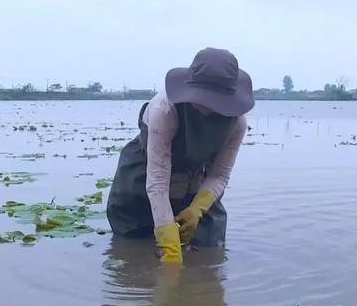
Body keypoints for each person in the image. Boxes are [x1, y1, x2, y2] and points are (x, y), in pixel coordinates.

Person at [106, 47, 254, 263]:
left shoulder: (237, 123)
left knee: (208, 247)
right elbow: (157, 180)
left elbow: (219, 174)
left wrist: (197, 209)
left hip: (195, 182)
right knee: (132, 246)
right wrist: (169, 245)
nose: (203, 106)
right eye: (200, 97)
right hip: (144, 174)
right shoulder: (165, 109)